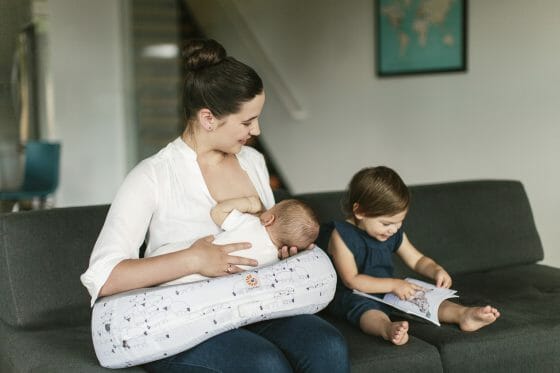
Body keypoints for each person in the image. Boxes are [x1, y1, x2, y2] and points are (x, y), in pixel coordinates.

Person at [80, 38, 349, 372]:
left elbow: (267, 232)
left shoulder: (252, 162)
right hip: (181, 319)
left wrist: (282, 250)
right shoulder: (152, 176)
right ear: (208, 118)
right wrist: (194, 258)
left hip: (254, 303)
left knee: (328, 345)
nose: (257, 130)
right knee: (262, 364)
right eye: (247, 121)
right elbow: (104, 278)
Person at [320, 166, 500, 346]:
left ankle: (463, 315)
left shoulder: (392, 233)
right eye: (386, 223)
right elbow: (352, 280)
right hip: (353, 294)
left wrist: (435, 270)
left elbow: (417, 260)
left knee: (424, 299)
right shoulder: (341, 236)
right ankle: (386, 328)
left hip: (388, 288)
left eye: (399, 222)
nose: (393, 229)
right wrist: (394, 284)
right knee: (367, 312)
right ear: (360, 212)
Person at [152, 197, 320, 285]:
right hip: (197, 286)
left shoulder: (251, 223)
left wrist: (249, 203)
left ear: (269, 219)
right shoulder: (274, 263)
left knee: (164, 256)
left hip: (172, 261)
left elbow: (217, 212)